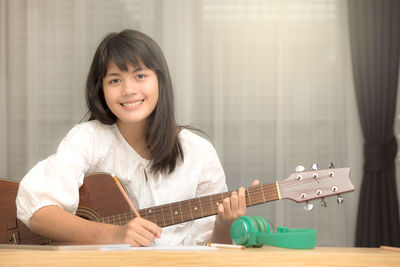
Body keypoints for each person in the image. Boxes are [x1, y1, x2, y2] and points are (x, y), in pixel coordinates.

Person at [16, 29, 258, 247]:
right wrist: (114, 234)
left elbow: (210, 249)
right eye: (115, 80)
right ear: (100, 88)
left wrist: (225, 226)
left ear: (160, 81)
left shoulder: (198, 152)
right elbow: (37, 211)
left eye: (140, 76)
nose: (129, 90)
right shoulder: (87, 139)